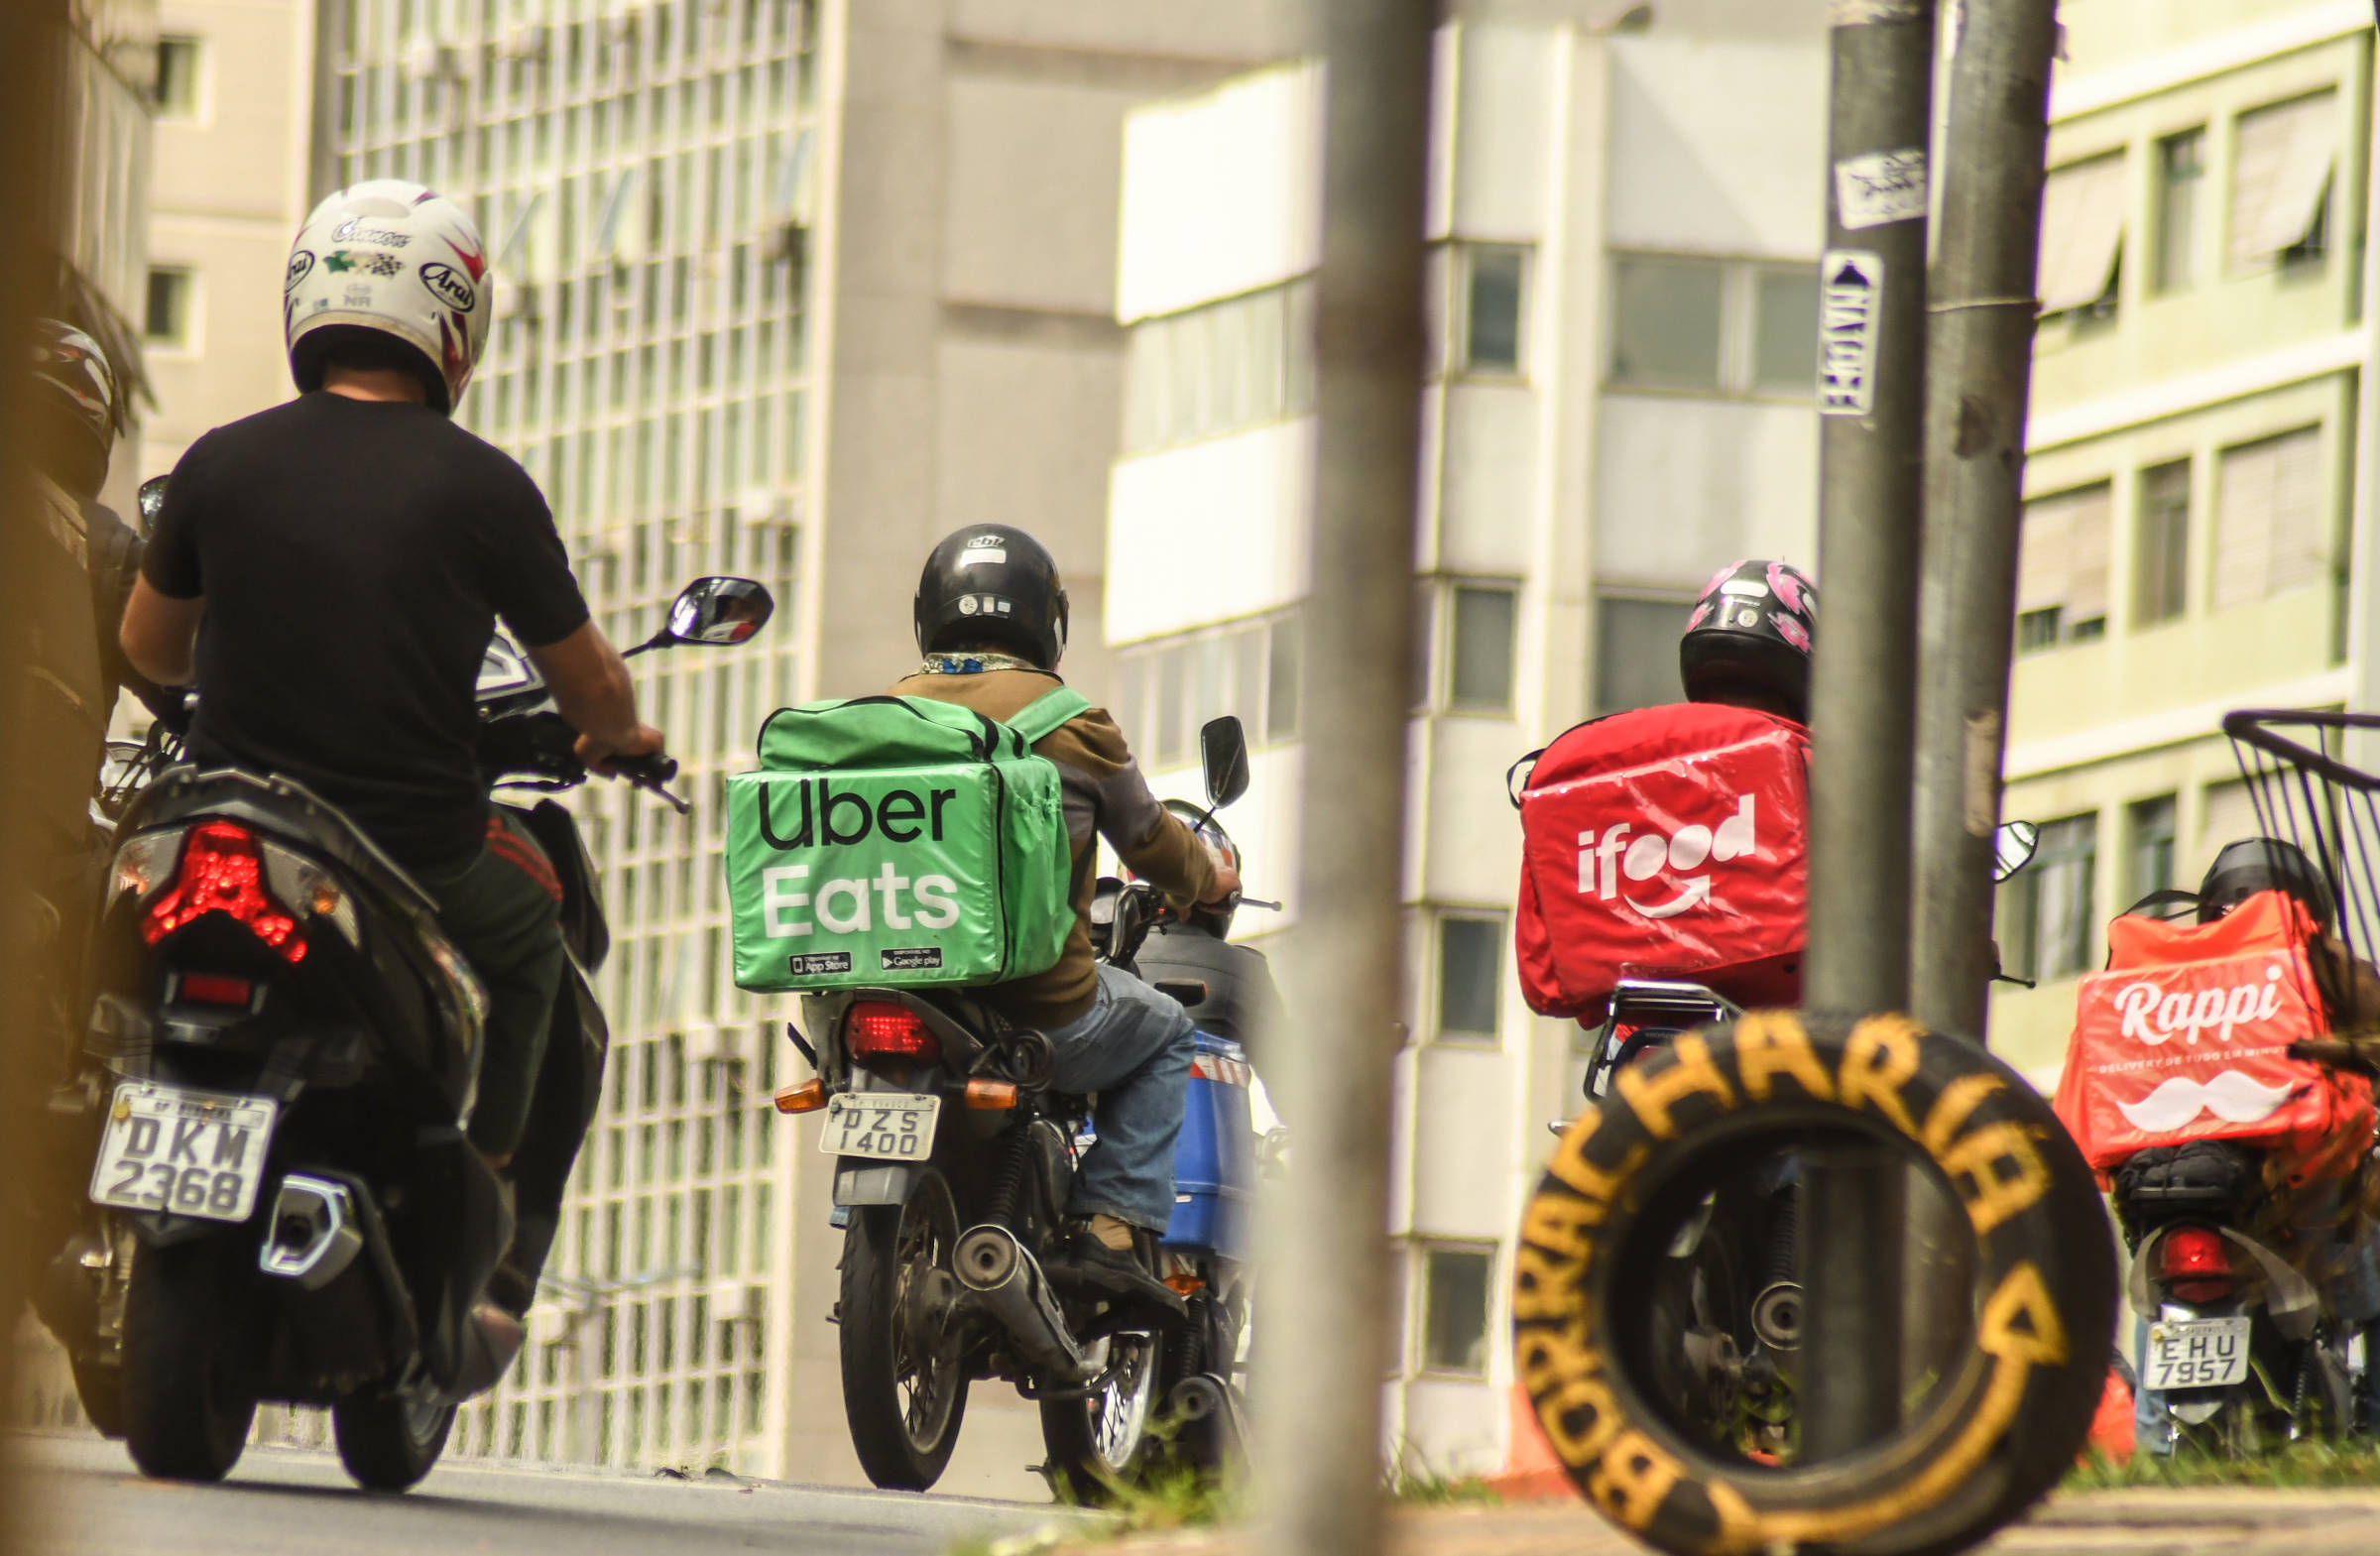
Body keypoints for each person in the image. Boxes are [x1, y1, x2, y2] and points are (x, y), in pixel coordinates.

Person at [115, 179, 663, 1315]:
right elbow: (589, 680)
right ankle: (494, 1197)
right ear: (455, 325)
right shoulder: (485, 488)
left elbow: (150, 652)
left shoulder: (220, 461)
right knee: (535, 951)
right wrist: (622, 736)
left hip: (215, 823)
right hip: (409, 850)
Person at [890, 524, 1239, 1309]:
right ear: (1049, 622)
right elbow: (1152, 843)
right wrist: (1207, 878)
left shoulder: (884, 717)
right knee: (1166, 1032)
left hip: (899, 988)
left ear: (930, 614)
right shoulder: (1072, 722)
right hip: (1036, 1009)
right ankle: (1112, 1228)